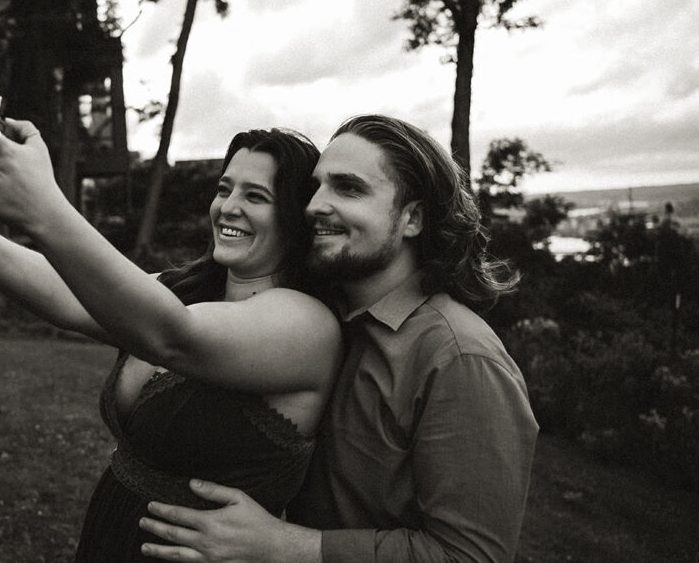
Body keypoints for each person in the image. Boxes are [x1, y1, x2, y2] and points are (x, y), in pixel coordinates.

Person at [0, 111, 342, 562]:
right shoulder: (186, 289)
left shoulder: (306, 324)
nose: (228, 206)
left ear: (295, 218)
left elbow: (172, 336)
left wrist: (40, 203)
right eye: (224, 188)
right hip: (110, 537)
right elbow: (75, 297)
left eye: (256, 196)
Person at [135, 115, 539, 563]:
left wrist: (283, 545)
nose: (314, 206)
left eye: (347, 188)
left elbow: (472, 555)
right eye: (317, 187)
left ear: (413, 219)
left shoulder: (460, 357)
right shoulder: (328, 315)